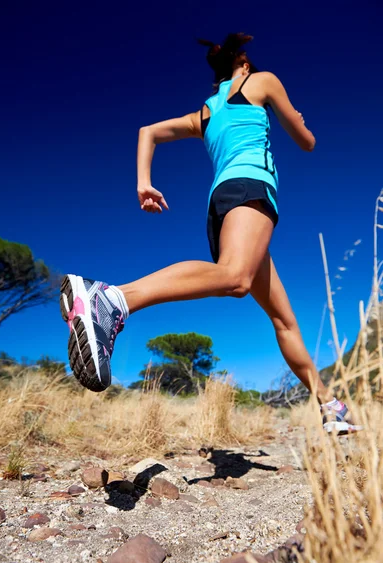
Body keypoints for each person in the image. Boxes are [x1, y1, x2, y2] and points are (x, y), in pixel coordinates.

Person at [60, 32, 359, 433]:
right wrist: (299, 121)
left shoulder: (204, 114)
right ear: (245, 64)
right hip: (251, 191)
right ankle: (112, 299)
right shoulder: (262, 81)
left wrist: (143, 182)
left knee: (284, 321)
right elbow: (307, 142)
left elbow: (148, 131)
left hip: (222, 206)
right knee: (236, 278)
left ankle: (329, 405)